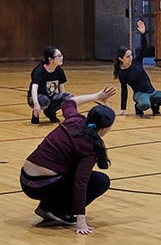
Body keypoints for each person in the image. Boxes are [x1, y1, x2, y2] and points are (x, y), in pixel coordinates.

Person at [19, 86, 116, 235]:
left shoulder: (75, 119)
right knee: (100, 181)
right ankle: (59, 211)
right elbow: (80, 184)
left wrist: (97, 96)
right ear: (105, 129)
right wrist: (81, 221)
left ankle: (48, 207)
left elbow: (69, 102)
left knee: (71, 168)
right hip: (43, 185)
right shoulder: (89, 146)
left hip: (25, 180)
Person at [114, 19, 161, 117]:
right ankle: (138, 107)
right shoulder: (122, 73)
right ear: (121, 59)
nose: (130, 58)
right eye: (127, 56)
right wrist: (123, 109)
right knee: (145, 104)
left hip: (152, 92)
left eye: (131, 55)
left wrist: (143, 34)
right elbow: (124, 91)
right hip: (140, 94)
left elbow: (144, 46)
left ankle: (155, 104)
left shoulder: (137, 61)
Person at [27, 46, 70, 124]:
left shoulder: (59, 71)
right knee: (44, 100)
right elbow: (34, 88)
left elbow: (62, 90)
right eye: (58, 56)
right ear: (50, 59)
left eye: (61, 55)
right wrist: (36, 104)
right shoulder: (39, 71)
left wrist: (65, 104)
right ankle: (35, 114)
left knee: (68, 98)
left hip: (51, 96)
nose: (61, 58)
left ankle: (50, 112)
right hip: (37, 97)